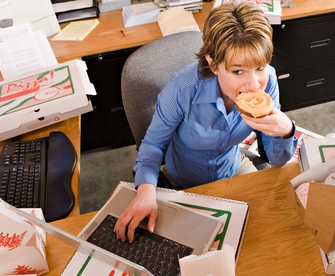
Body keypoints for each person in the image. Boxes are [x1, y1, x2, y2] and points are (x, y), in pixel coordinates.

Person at [114, 1, 298, 243]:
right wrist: (146, 189)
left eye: (260, 67)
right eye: (238, 71)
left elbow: (278, 160)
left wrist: (286, 132)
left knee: (272, 232)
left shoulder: (269, 81)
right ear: (213, 64)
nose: (254, 84)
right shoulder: (182, 88)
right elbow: (152, 145)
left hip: (234, 169)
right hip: (183, 183)